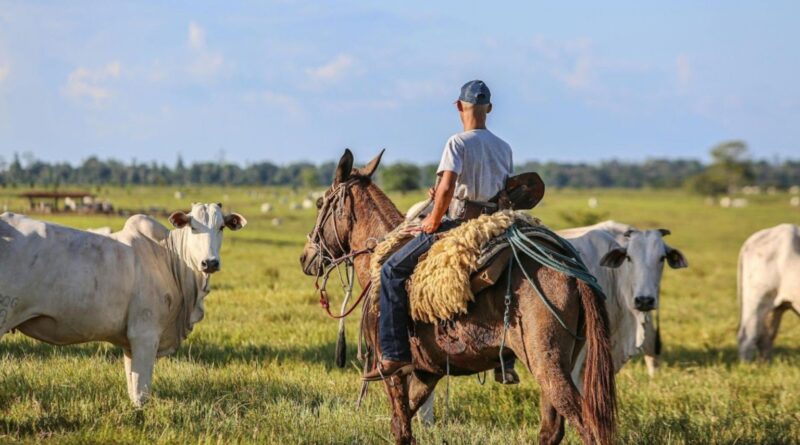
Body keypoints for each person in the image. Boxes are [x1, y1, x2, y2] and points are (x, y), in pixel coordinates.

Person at [363, 80, 518, 384]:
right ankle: (506, 359)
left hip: (460, 224)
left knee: (392, 270)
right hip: (493, 225)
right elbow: (502, 192)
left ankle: (395, 355)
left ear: (459, 107)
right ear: (489, 109)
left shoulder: (456, 143)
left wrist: (433, 219)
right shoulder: (504, 147)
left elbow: (448, 187)